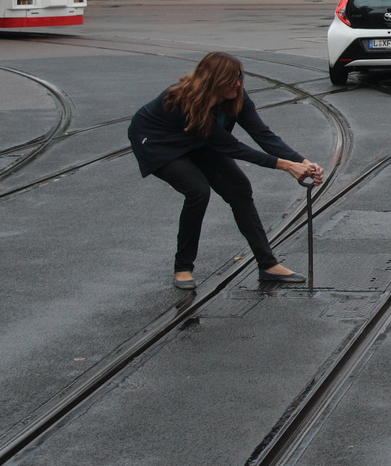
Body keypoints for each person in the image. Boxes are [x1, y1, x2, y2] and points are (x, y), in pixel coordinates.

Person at [128, 52, 323, 289]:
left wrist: (302, 162)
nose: (238, 84)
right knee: (197, 191)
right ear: (213, 81)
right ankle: (183, 268)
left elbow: (263, 134)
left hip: (198, 141)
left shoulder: (237, 96)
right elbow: (231, 147)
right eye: (231, 80)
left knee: (239, 189)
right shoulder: (186, 100)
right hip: (159, 142)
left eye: (240, 78)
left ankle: (268, 265)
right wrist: (285, 166)